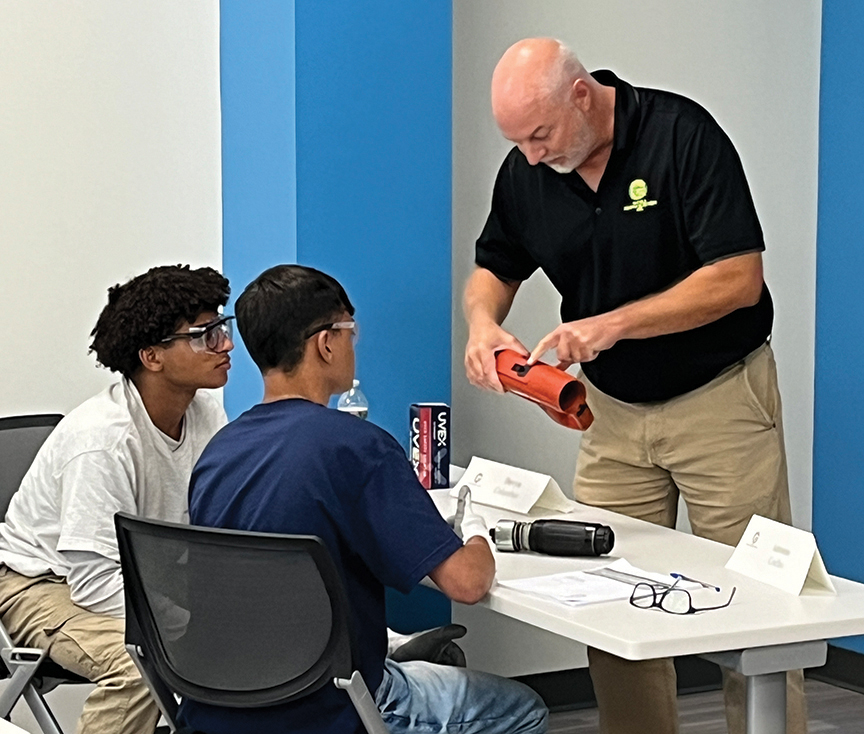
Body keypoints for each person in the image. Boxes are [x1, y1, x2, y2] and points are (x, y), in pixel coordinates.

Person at [463, 37, 804, 734]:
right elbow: (494, 265)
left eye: (540, 134)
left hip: (720, 400)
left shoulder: (683, 136)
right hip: (611, 416)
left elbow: (738, 279)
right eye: (517, 140)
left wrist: (617, 322)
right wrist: (481, 325)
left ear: (582, 95)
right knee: (611, 603)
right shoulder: (526, 170)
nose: (530, 154)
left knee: (759, 606)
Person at [180, 264, 548, 734]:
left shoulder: (220, 450)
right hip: (332, 706)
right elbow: (467, 584)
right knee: (524, 710)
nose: (354, 344)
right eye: (350, 331)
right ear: (325, 342)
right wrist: (475, 532)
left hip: (220, 703)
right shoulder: (356, 446)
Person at [0, 264, 233, 734]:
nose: (225, 345)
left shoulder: (205, 408)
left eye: (222, 329)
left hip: (144, 575)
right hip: (40, 584)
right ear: (152, 356)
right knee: (143, 664)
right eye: (204, 335)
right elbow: (91, 580)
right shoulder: (103, 441)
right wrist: (185, 620)